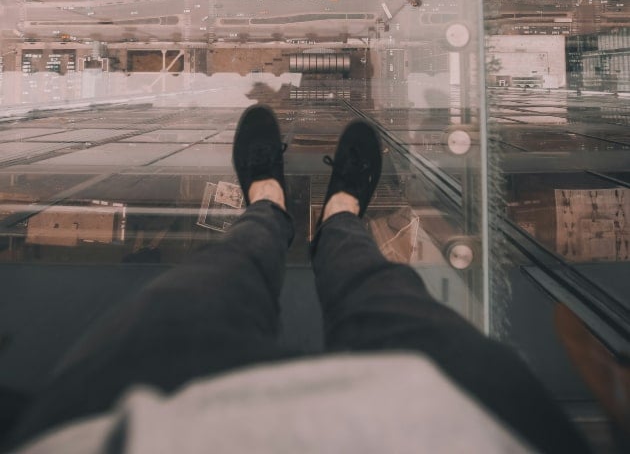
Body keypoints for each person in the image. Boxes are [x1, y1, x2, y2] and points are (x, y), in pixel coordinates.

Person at [6, 105, 589, 453]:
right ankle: (338, 213)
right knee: (380, 291)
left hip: (132, 427)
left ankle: (269, 201)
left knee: (211, 284)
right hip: (462, 428)